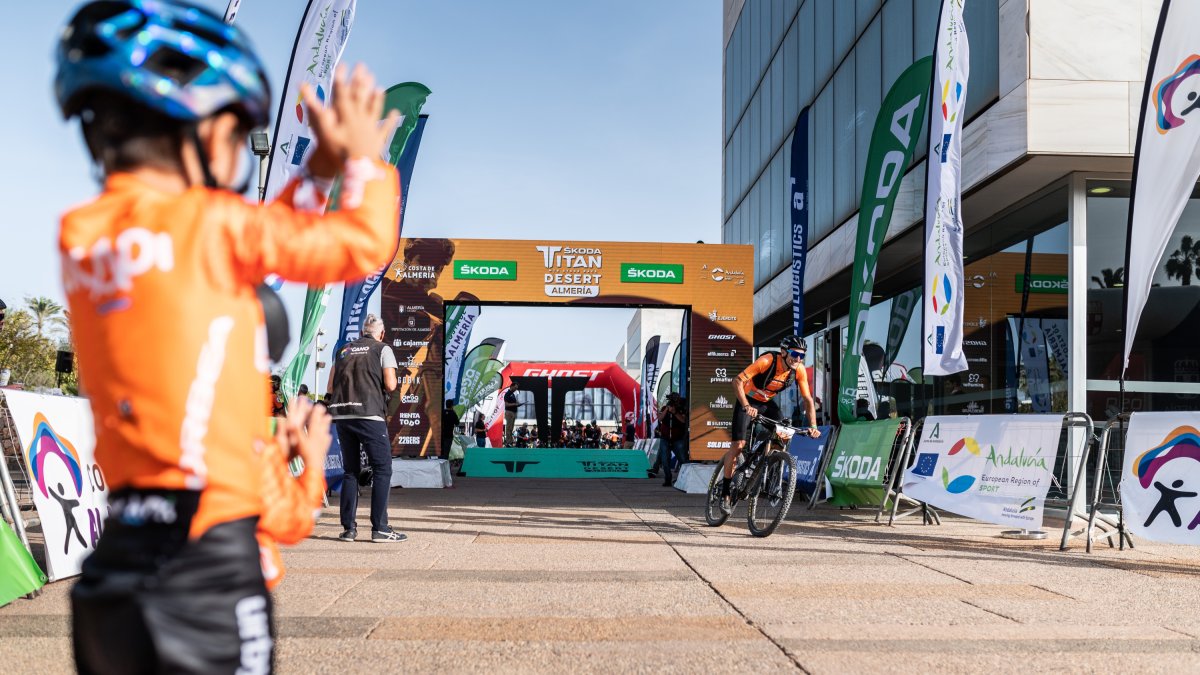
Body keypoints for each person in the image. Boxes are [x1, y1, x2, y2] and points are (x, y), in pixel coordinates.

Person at [57, 1, 402, 671]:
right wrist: (362, 162)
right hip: (206, 555)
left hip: (121, 553)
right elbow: (359, 241)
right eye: (238, 131)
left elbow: (238, 245)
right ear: (205, 133)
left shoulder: (86, 235)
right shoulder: (213, 229)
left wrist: (318, 175)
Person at [326, 314, 404, 544]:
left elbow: (330, 386)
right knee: (382, 469)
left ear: (362, 332)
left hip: (342, 414)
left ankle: (348, 529)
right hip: (369, 414)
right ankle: (380, 528)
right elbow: (390, 384)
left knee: (350, 471)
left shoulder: (343, 351)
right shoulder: (382, 348)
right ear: (381, 333)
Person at [721, 336, 821, 513]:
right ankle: (725, 493)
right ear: (783, 352)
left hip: (767, 404)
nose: (798, 359)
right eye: (794, 354)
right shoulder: (767, 360)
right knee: (738, 445)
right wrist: (746, 406)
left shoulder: (798, 370)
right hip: (748, 400)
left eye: (801, 356)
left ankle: (770, 473)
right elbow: (737, 381)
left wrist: (813, 425)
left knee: (782, 433)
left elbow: (807, 399)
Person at [658, 394, 689, 487]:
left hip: (677, 438)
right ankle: (668, 479)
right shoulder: (664, 408)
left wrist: (675, 412)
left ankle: (685, 478)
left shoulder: (681, 409)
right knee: (664, 460)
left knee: (682, 459)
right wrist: (667, 410)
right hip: (665, 438)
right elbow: (660, 418)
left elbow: (683, 421)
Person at [503, 382, 520, 447]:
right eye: (515, 388)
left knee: (511, 428)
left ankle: (510, 441)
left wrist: (517, 404)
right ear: (511, 386)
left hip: (513, 412)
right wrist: (515, 404)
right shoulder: (507, 394)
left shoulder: (512, 394)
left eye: (516, 388)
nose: (516, 389)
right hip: (509, 412)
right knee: (508, 427)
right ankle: (508, 442)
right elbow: (506, 404)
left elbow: (513, 403)